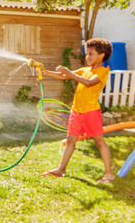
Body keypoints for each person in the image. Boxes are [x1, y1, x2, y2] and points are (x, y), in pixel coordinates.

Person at [41, 38, 115, 184]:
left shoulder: (102, 72)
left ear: (102, 55)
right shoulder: (85, 70)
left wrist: (69, 72)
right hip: (76, 111)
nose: (87, 57)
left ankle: (109, 174)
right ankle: (61, 170)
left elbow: (88, 83)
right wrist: (45, 72)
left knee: (99, 142)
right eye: (86, 54)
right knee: (70, 141)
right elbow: (64, 75)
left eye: (91, 54)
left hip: (91, 112)